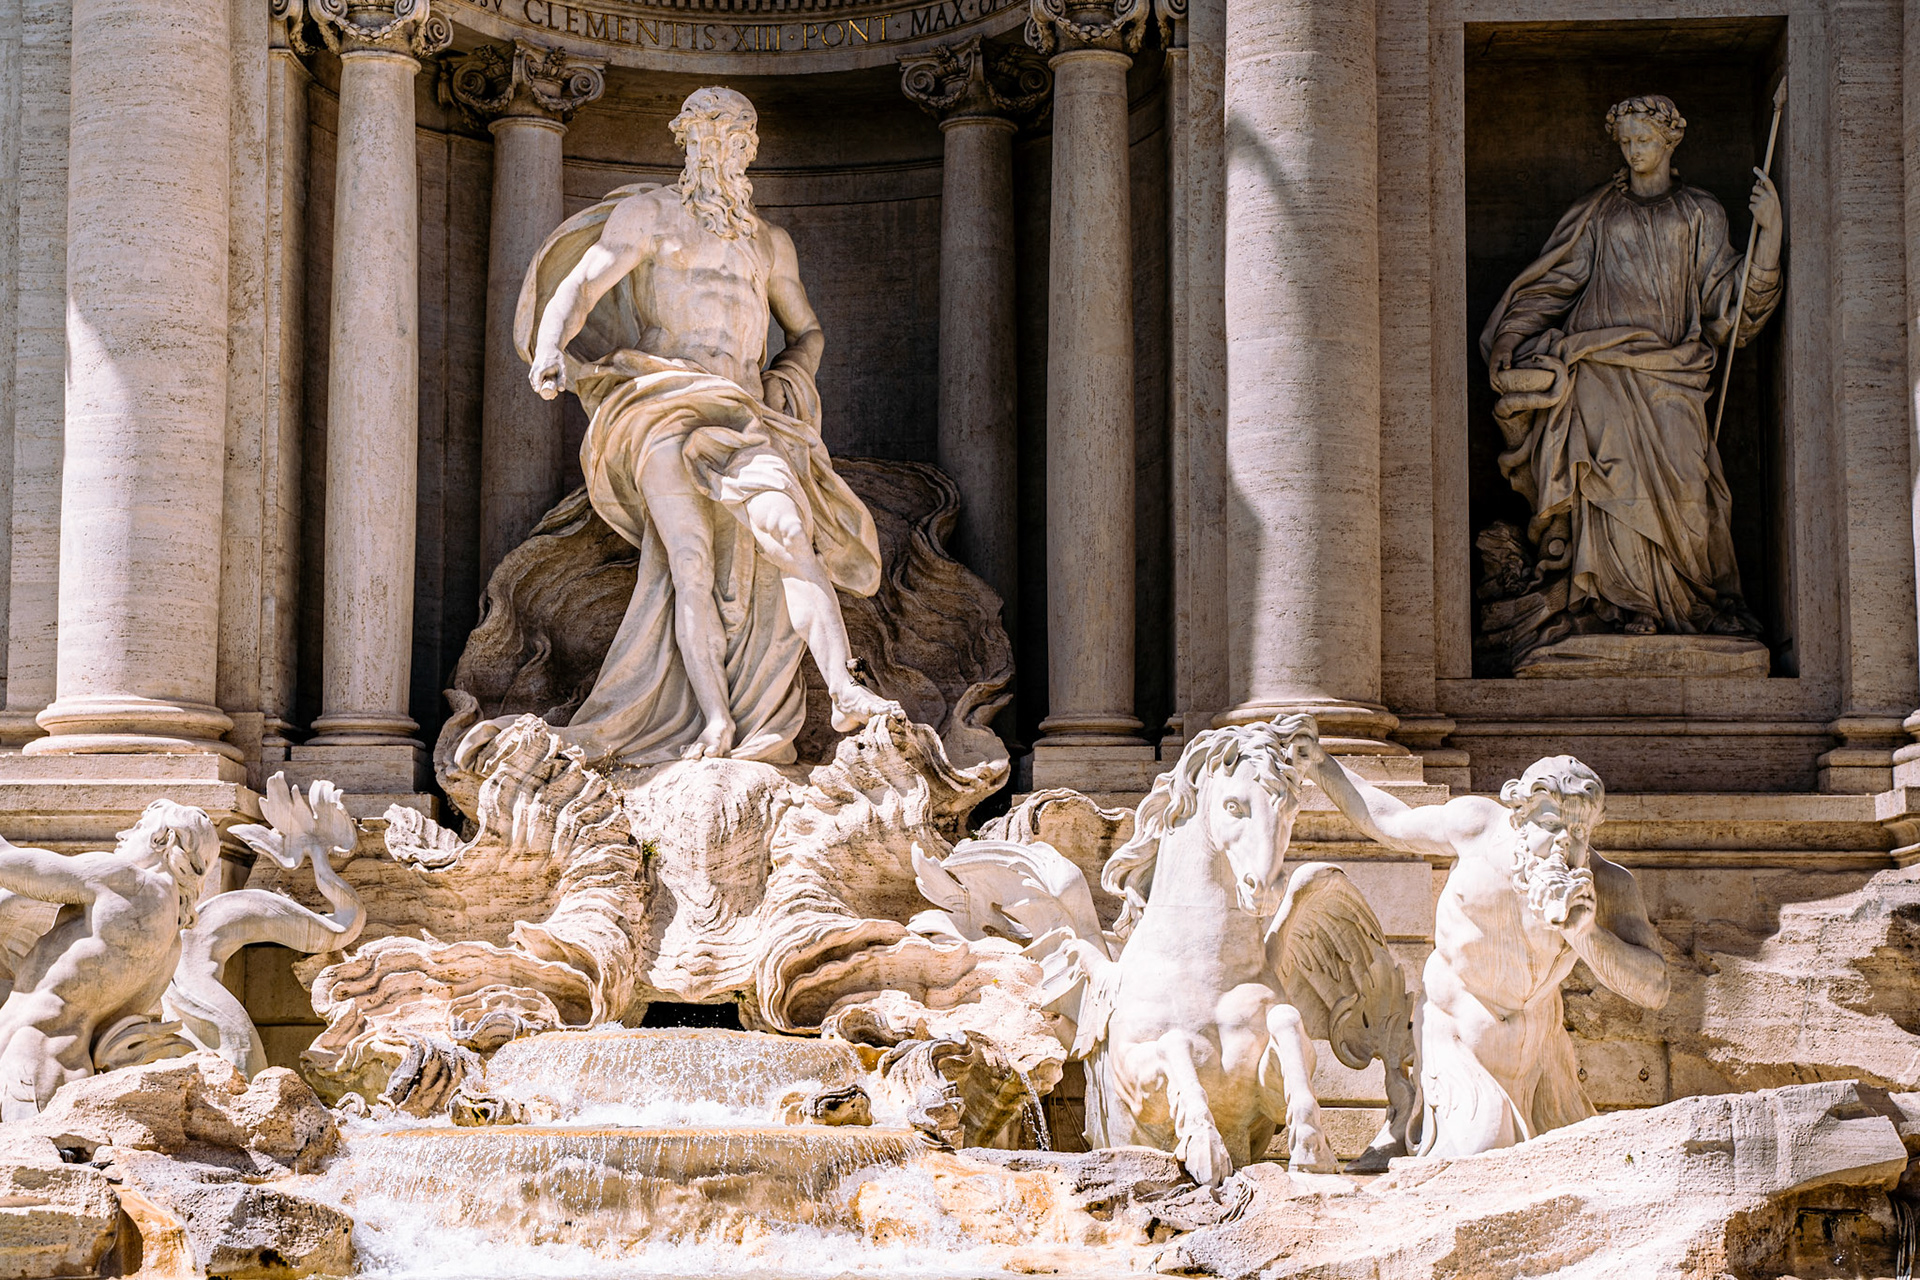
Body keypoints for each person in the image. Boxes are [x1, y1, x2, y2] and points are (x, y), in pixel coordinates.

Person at [513, 86, 894, 765]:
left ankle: (843, 689)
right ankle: (715, 721)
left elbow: (806, 330)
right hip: (663, 399)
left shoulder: (769, 244)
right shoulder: (648, 216)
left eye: (737, 139)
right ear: (684, 142)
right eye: (708, 137)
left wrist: (791, 376)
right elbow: (582, 285)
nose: (722, 150)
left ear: (750, 151)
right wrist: (549, 346)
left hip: (746, 408)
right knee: (688, 566)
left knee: (787, 531)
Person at [1482, 93, 1783, 637]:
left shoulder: (1701, 212)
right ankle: (1622, 604)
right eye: (1625, 142)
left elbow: (1731, 308)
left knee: (1690, 487)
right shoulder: (1600, 211)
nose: (1634, 150)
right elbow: (1554, 283)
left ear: (1671, 140)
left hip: (1674, 371)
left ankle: (1687, 601)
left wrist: (1771, 236)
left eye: (1644, 139)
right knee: (1611, 482)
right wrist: (1510, 334)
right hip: (1599, 365)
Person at [1301, 746, 1669, 1156]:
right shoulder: (1476, 827)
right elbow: (1390, 821)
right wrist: (1318, 763)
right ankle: (1418, 1124)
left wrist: (1586, 934)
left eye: (1580, 832)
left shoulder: (1607, 883)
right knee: (1482, 1150)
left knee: (1575, 1161)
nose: (1566, 846)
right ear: (1520, 817)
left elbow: (1654, 989)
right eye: (1551, 824)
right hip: (1458, 1032)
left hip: (1540, 1055)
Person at [0, 801, 217, 1118]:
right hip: (68, 1071)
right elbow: (112, 1031)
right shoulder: (172, 946)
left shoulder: (127, 881)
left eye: (139, 827)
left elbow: (8, 864)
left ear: (162, 839)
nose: (123, 835)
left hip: (23, 1064)